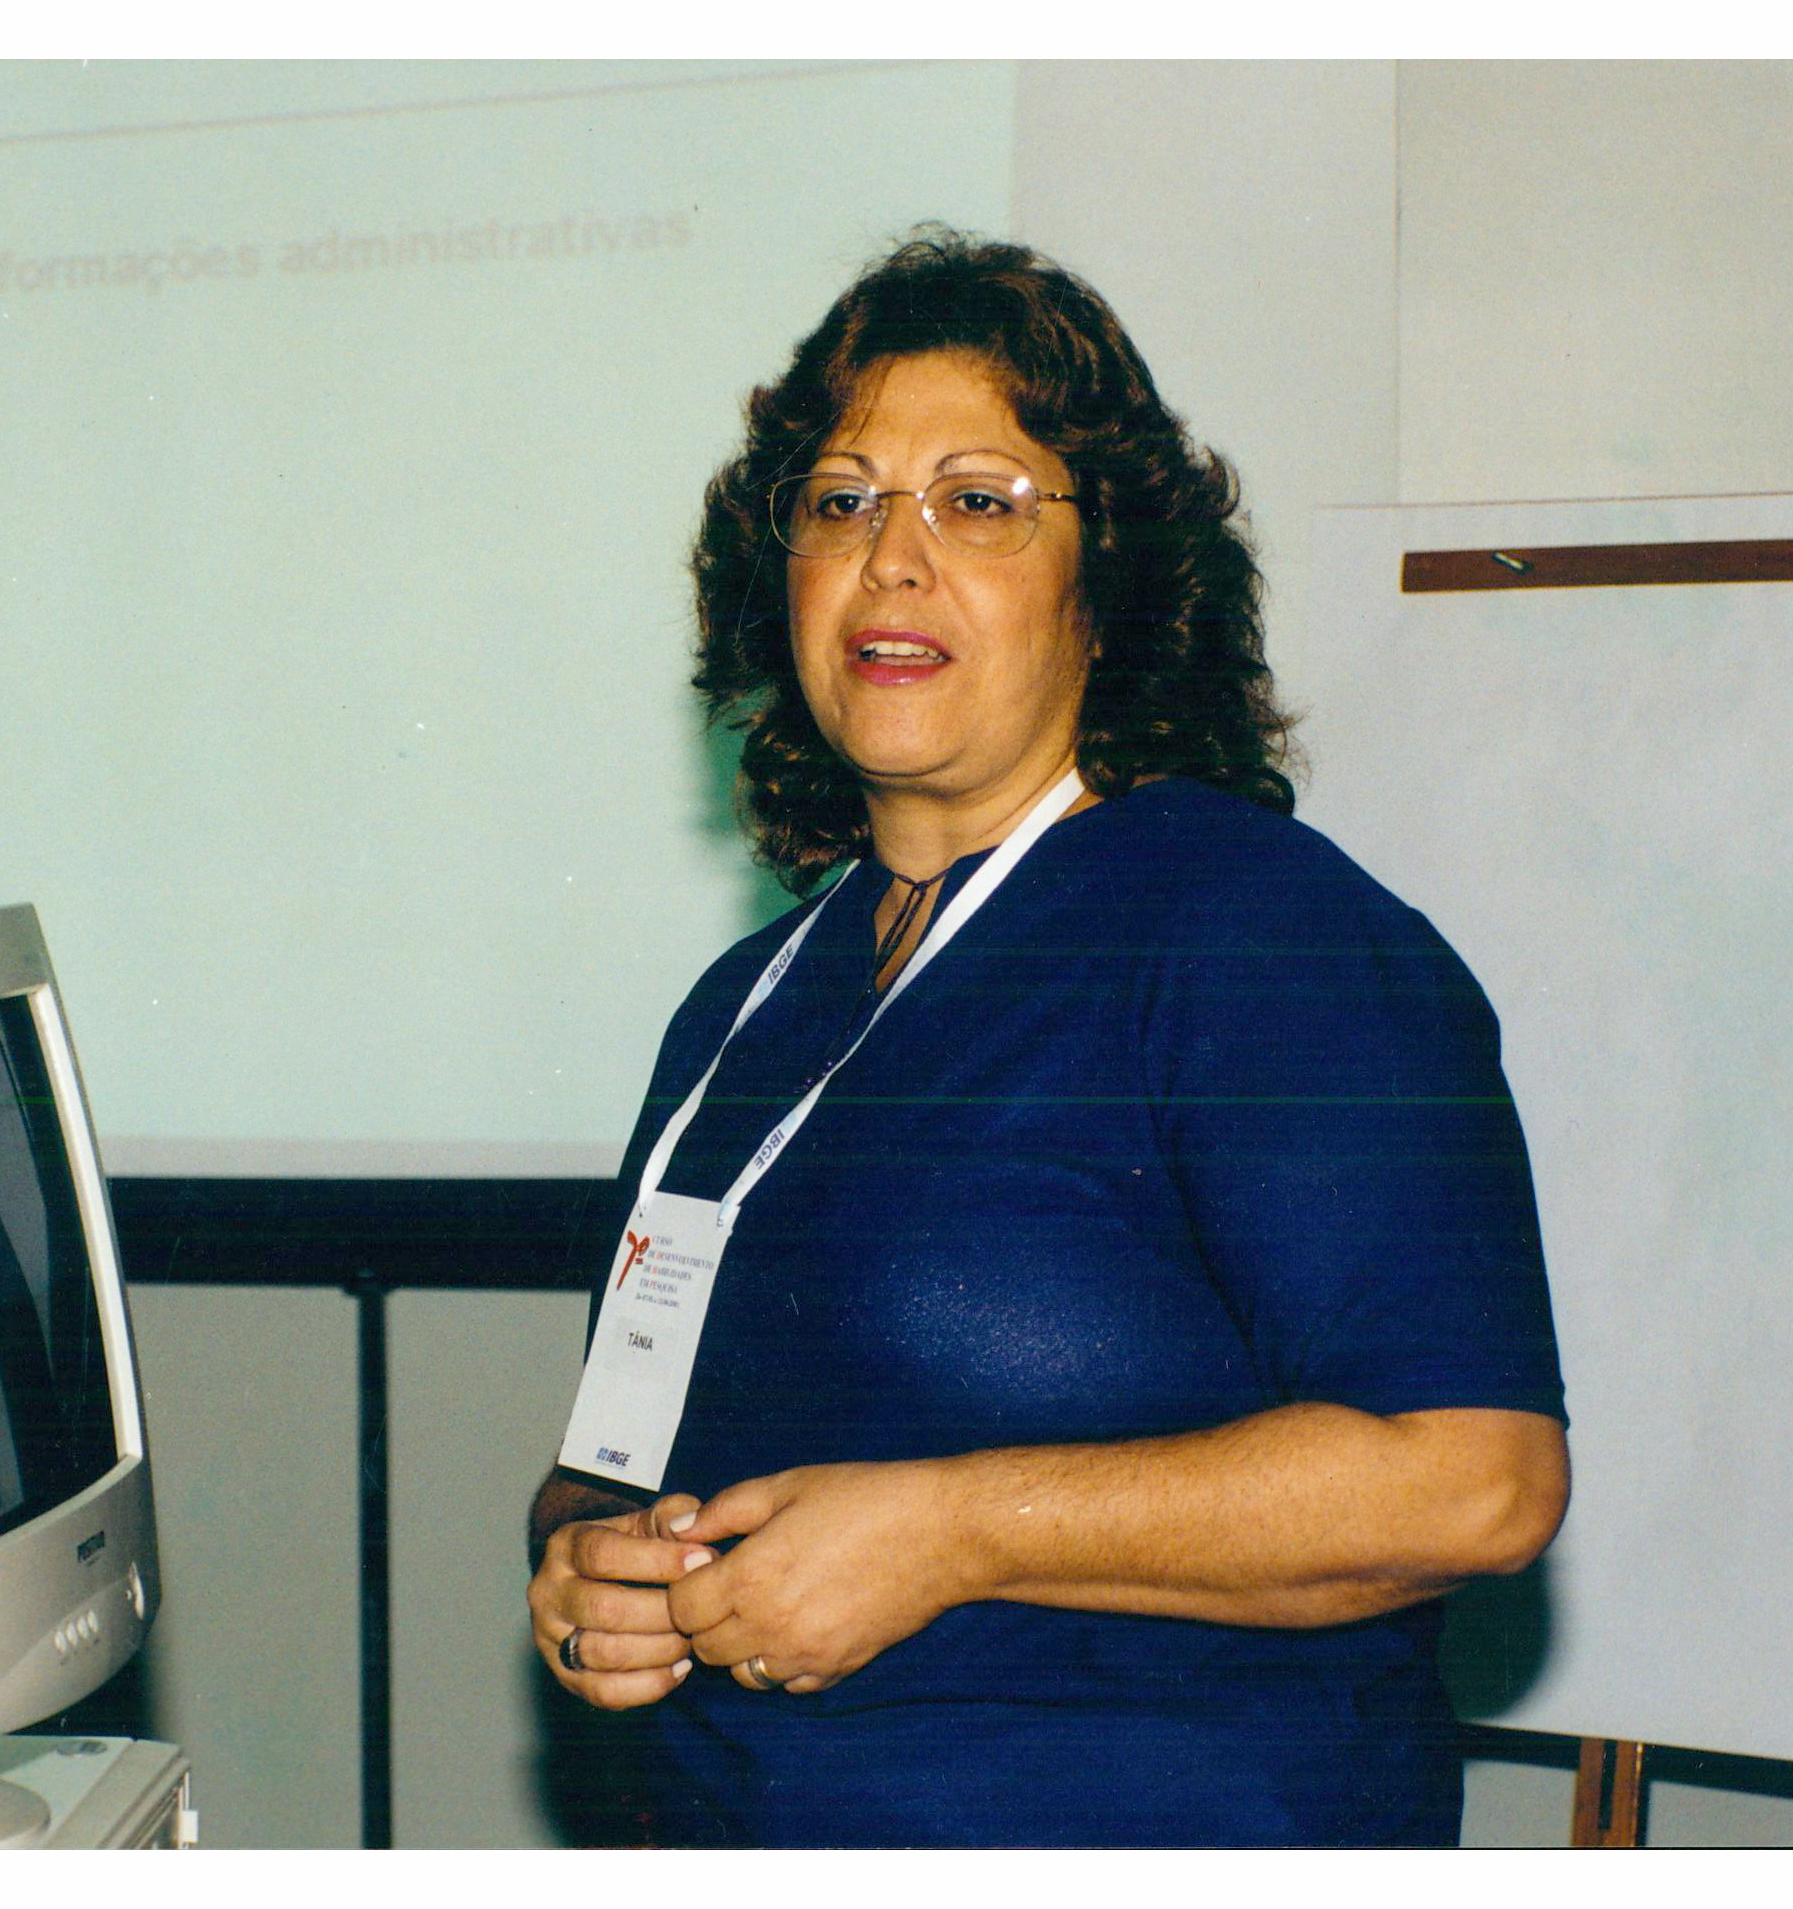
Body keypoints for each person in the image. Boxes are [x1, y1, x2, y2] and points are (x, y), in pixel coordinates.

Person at [523, 228, 1569, 1848]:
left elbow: (1476, 1479)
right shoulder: (741, 1007)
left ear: (1109, 586)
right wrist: (589, 1560)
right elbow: (617, 1447)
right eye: (840, 501)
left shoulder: (1258, 932)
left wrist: (958, 1530)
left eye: (980, 501)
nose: (892, 557)